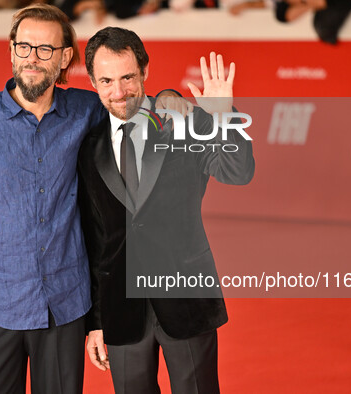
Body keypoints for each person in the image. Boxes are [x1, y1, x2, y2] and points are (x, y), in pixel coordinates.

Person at [78, 27, 255, 393]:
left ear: (145, 71)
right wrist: (96, 321)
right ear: (93, 81)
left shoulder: (183, 121)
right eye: (106, 81)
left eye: (128, 77)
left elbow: (238, 173)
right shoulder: (87, 145)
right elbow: (95, 240)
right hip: (121, 312)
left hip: (186, 300)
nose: (119, 92)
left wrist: (224, 117)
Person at [0, 4, 103, 393]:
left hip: (65, 306)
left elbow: (136, 120)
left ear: (65, 57)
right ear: (11, 50)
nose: (32, 58)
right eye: (24, 46)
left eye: (45, 49)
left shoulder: (87, 112)